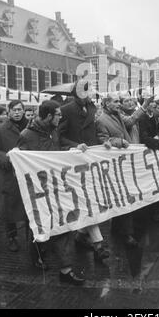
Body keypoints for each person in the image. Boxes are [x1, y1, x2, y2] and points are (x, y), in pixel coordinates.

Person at [18, 100, 85, 285]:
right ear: (48, 116)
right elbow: (22, 163)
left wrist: (74, 147)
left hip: (55, 188)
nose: (60, 117)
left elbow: (60, 144)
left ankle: (66, 269)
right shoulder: (26, 135)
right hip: (38, 191)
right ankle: (37, 256)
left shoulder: (53, 131)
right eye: (58, 115)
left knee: (63, 225)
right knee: (37, 226)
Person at [59, 79, 109, 262]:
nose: (87, 94)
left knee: (90, 199)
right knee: (86, 200)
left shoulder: (94, 109)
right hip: (75, 161)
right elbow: (60, 136)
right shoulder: (66, 110)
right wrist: (74, 146)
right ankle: (99, 244)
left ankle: (81, 236)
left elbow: (97, 131)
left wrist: (105, 142)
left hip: (91, 159)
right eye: (84, 91)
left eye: (88, 91)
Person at [96, 93, 139, 247]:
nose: (119, 104)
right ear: (107, 104)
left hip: (124, 162)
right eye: (115, 102)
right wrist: (119, 141)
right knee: (124, 196)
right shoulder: (101, 120)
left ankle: (120, 229)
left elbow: (131, 121)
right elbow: (103, 140)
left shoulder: (117, 115)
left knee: (125, 195)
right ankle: (127, 234)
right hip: (115, 164)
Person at [0, 100, 28, 252]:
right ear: (9, 112)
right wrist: (8, 158)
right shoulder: (0, 130)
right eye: (13, 110)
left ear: (23, 111)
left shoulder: (31, 128)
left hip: (27, 174)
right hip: (9, 175)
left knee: (28, 207)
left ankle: (31, 238)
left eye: (19, 110)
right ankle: (12, 237)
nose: (17, 113)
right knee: (9, 208)